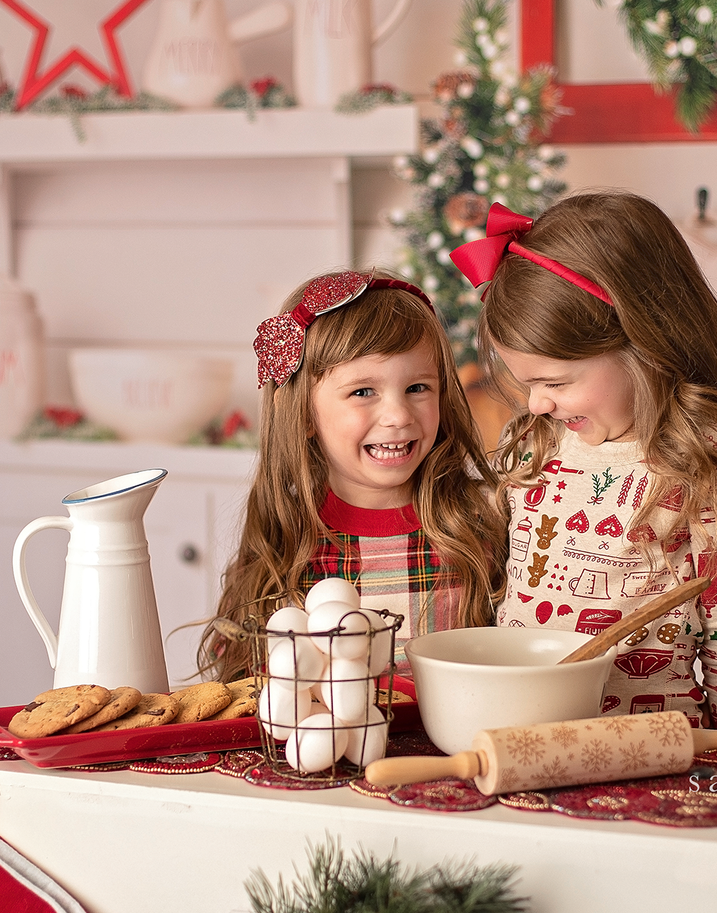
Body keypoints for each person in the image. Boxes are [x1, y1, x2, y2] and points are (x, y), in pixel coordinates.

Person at [451, 191, 717, 727]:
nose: (537, 403)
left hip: (648, 750)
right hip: (522, 733)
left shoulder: (708, 466)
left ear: (646, 346)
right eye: (527, 384)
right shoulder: (538, 441)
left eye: (556, 382)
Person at [204, 269, 505, 682]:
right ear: (305, 414)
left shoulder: (478, 525)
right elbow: (252, 691)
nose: (399, 416)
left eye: (418, 387)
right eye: (363, 392)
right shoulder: (286, 543)